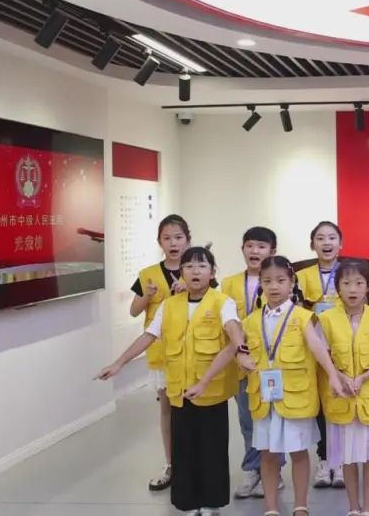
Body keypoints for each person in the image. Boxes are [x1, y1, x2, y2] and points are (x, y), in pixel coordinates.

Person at [99, 246, 252, 515]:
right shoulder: (169, 305)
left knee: (212, 448)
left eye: (202, 266)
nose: (195, 271)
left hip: (211, 391)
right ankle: (189, 502)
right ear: (181, 272)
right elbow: (149, 336)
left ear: (212, 272)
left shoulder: (222, 302)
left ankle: (211, 502)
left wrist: (241, 349)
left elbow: (233, 329)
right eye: (189, 266)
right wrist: (119, 362)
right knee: (184, 448)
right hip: (179, 390)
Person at [242, 256, 351, 516]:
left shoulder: (303, 317)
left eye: (280, 280)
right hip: (265, 398)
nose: (274, 286)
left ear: (291, 282)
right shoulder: (252, 320)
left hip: (296, 397)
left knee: (298, 451)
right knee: (267, 453)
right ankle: (271, 508)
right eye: (267, 281)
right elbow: (236, 348)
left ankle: (300, 506)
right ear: (261, 284)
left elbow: (318, 347)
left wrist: (333, 375)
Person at [316, 259, 369, 516]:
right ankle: (352, 506)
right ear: (338, 287)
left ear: (368, 287)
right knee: (348, 458)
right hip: (341, 396)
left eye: (359, 283)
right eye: (346, 283)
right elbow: (322, 356)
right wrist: (340, 377)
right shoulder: (326, 319)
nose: (352, 289)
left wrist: (362, 378)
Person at [221, 227, 285, 499]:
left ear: (272, 251)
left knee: (274, 418)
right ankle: (253, 469)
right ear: (242, 249)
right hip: (241, 364)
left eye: (261, 246)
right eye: (249, 246)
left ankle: (275, 471)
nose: (254, 251)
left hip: (271, 364)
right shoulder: (228, 284)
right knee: (247, 420)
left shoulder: (279, 281)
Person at [128, 214, 191, 492]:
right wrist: (147, 296)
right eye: (167, 238)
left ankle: (192, 463)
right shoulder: (148, 274)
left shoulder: (198, 268)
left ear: (187, 239)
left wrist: (190, 288)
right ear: (159, 242)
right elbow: (134, 311)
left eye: (178, 237)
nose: (173, 243)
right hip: (162, 353)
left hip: (193, 352)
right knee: (167, 408)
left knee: (192, 408)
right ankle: (171, 463)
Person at [296, 221, 345, 489]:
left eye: (332, 237)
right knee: (318, 406)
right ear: (312, 244)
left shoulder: (348, 273)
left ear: (341, 244)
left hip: (341, 348)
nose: (327, 243)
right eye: (320, 238)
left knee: (338, 401)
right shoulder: (301, 276)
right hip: (311, 348)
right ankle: (324, 460)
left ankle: (340, 462)